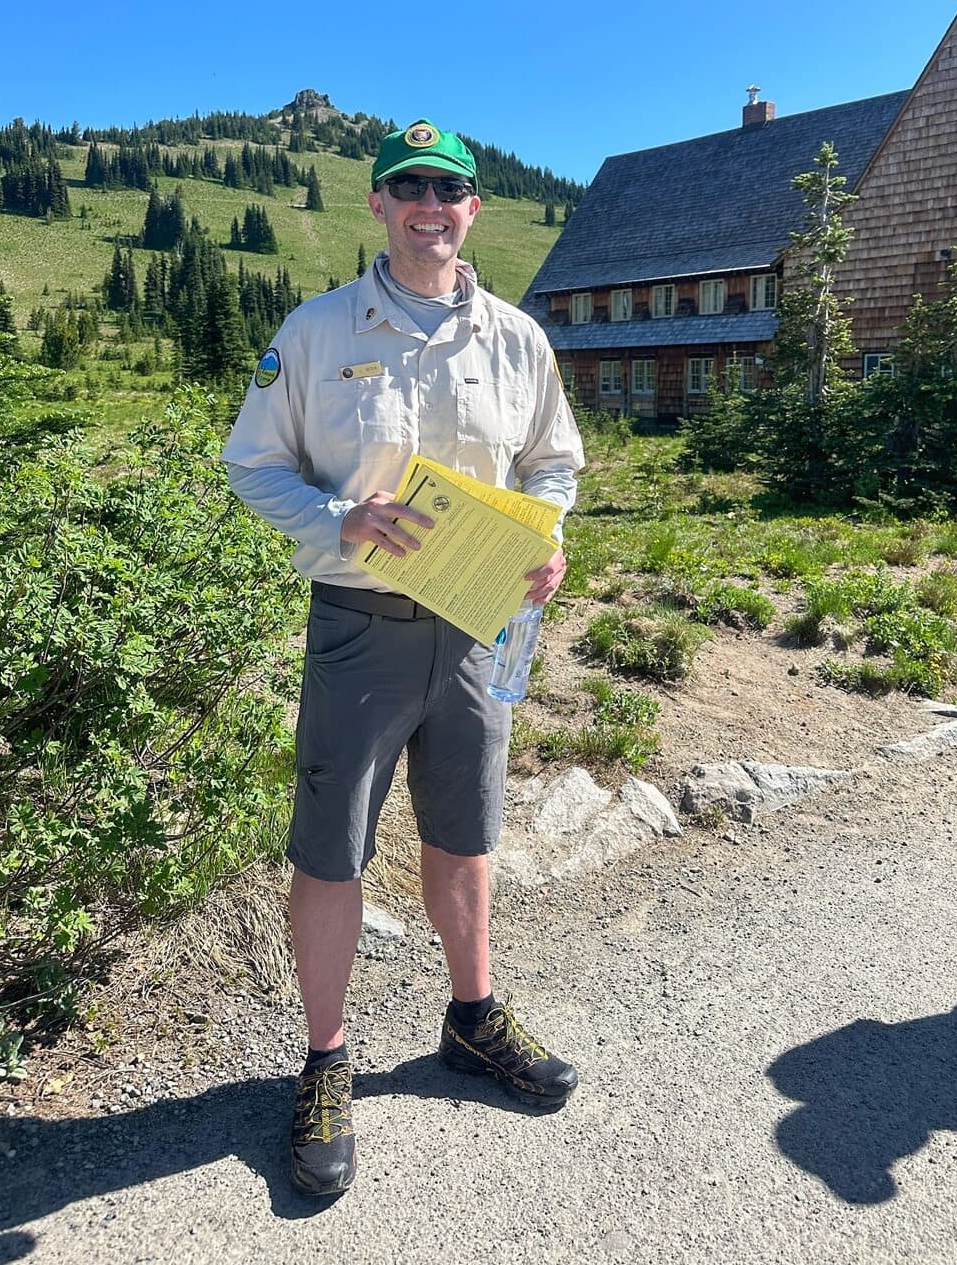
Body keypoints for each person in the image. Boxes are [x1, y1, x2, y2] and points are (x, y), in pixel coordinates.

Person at [221, 120, 585, 1197]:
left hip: (477, 626)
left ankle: (471, 1019)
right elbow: (252, 464)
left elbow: (553, 460)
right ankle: (327, 1063)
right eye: (410, 187)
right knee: (330, 850)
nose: (432, 203)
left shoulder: (519, 338)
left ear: (476, 209)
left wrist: (550, 534)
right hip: (358, 624)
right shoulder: (319, 330)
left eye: (452, 189)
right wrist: (343, 516)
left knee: (466, 834)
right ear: (376, 205)